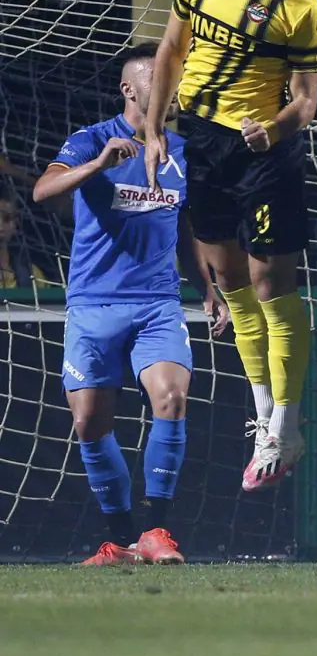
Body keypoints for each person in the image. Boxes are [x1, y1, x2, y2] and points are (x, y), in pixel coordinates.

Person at [143, 0, 317, 492]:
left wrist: (273, 130)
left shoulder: (300, 6)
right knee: (231, 284)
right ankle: (264, 419)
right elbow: (172, 50)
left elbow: (306, 102)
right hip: (204, 141)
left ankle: (288, 426)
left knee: (273, 286)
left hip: (265, 154)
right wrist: (154, 129)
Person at [32, 44, 229, 565]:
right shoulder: (91, 140)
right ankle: (120, 540)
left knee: (172, 398)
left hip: (157, 304)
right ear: (129, 88)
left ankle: (157, 530)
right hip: (93, 304)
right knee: (89, 422)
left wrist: (208, 289)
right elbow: (43, 191)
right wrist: (98, 164)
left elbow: (183, 228)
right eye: (160, 78)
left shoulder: (182, 152)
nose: (172, 88)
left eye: (175, 79)